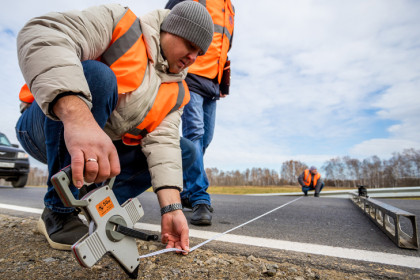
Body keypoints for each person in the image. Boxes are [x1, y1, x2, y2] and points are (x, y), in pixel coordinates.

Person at [15, 2, 214, 253]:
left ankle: (95, 207)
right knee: (98, 76)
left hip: (99, 152)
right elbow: (42, 33)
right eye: (190, 46)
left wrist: (172, 209)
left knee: (184, 150)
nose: (193, 58)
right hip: (45, 127)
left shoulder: (177, 91)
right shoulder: (122, 25)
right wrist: (77, 117)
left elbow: (163, 146)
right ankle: (59, 212)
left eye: (200, 54)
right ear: (170, 29)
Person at [165, 0, 235, 226]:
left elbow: (224, 48)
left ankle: (186, 189)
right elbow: (167, 25)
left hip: (212, 85)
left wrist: (223, 83)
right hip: (191, 75)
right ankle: (199, 197)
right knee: (194, 132)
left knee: (205, 139)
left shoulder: (231, 9)